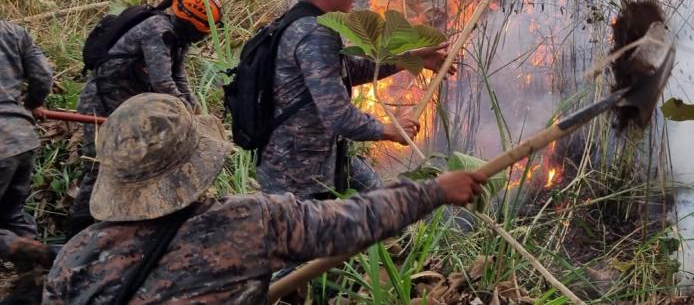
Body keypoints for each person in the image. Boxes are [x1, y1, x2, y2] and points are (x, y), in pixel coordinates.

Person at [42, 93, 487, 303]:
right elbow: (350, 222)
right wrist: (434, 191)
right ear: (197, 162)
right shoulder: (248, 224)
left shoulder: (73, 261)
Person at [258, 0, 455, 199]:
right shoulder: (314, 33)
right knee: (341, 227)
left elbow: (345, 70)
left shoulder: (307, 21)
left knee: (382, 206)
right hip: (298, 172)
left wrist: (409, 59)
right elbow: (338, 115)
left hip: (324, 154)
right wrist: (389, 130)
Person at [67, 0, 223, 236]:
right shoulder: (158, 30)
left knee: (133, 165)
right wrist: (183, 110)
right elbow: (162, 82)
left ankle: (119, 227)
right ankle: (77, 232)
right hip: (100, 104)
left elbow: (177, 76)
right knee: (99, 166)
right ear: (191, 23)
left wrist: (193, 107)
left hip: (127, 108)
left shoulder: (176, 38)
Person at [0, 20, 54, 301]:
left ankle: (17, 248)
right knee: (12, 213)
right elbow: (43, 74)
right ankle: (34, 278)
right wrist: (32, 105)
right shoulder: (12, 31)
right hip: (21, 137)